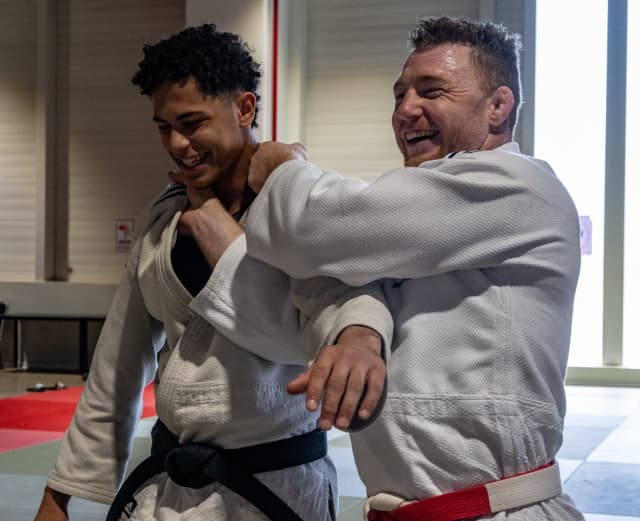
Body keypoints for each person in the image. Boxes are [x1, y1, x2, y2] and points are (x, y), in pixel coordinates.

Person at [200, 16, 586, 521]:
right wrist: (359, 332)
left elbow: (315, 226)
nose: (406, 109)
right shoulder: (414, 216)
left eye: (432, 90)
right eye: (400, 94)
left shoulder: (518, 186)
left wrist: (282, 168)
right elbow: (326, 285)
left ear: (498, 106)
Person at [32, 24, 392, 521]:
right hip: (171, 485)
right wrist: (59, 495)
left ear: (244, 108)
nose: (177, 144)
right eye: (164, 127)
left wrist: (217, 229)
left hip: (277, 486)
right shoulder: (162, 219)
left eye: (192, 122)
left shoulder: (301, 207)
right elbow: (117, 364)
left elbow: (307, 332)